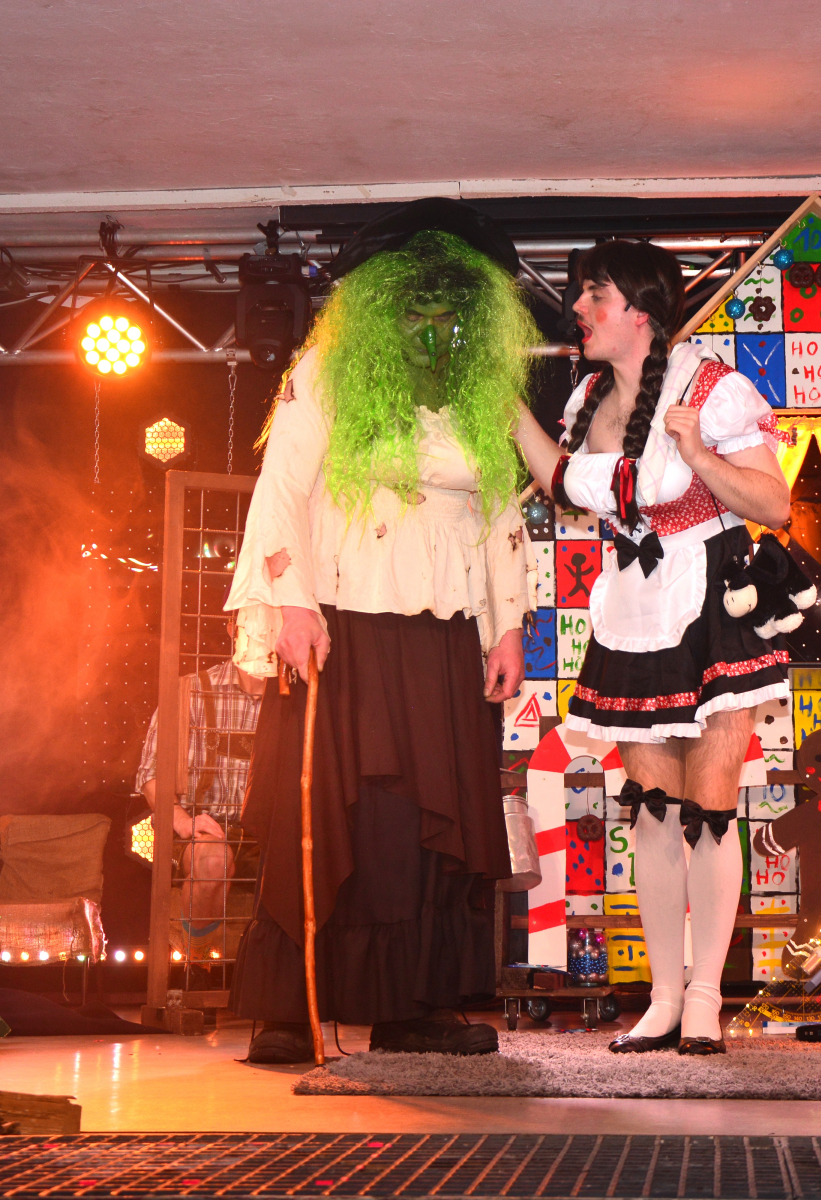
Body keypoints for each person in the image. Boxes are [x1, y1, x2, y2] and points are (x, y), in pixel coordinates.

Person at [225, 199, 534, 1063]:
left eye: (449, 313)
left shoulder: (479, 393)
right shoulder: (325, 370)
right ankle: (292, 1008)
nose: (433, 328)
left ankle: (409, 1007)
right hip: (344, 629)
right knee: (333, 813)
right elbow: (281, 489)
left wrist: (508, 627)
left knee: (419, 828)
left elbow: (502, 515)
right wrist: (291, 603)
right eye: (415, 310)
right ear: (380, 307)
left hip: (441, 637)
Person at [511, 240, 791, 1054]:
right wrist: (504, 406)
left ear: (640, 310)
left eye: (594, 294)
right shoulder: (587, 398)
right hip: (633, 608)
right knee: (653, 812)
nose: (578, 308)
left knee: (710, 806)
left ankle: (705, 997)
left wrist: (698, 453)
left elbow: (774, 505)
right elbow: (562, 483)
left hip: (712, 602)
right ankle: (664, 997)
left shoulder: (713, 387)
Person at [133, 616, 259, 943]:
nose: (266, 631)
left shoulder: (301, 700)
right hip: (200, 825)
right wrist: (183, 822)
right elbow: (150, 775)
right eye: (255, 619)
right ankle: (199, 956)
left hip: (269, 830)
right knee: (214, 860)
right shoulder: (188, 691)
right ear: (232, 627)